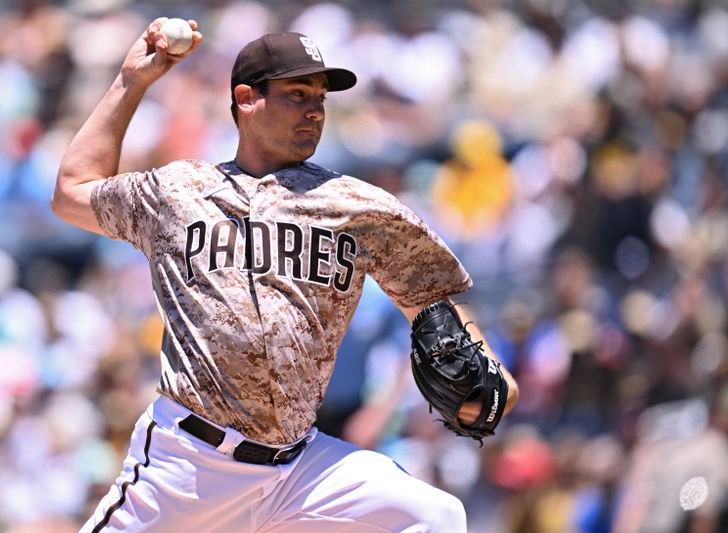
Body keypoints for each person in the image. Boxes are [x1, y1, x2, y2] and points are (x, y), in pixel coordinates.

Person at [52, 17, 519, 533]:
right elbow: (73, 192)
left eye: (320, 96)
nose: (315, 110)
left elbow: (435, 302)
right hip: (189, 466)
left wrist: (495, 371)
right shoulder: (177, 192)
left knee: (436, 515)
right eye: (297, 93)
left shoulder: (359, 206)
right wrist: (131, 82)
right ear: (248, 98)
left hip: (299, 470)